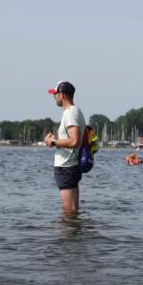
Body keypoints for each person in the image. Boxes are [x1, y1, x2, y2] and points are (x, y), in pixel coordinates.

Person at [44, 81, 86, 215]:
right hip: (70, 167)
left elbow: (74, 141)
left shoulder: (70, 113)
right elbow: (72, 139)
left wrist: (54, 141)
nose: (54, 97)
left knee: (69, 211)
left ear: (62, 95)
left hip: (66, 168)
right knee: (73, 211)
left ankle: (67, 235)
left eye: (55, 94)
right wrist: (54, 140)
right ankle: (74, 234)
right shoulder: (75, 111)